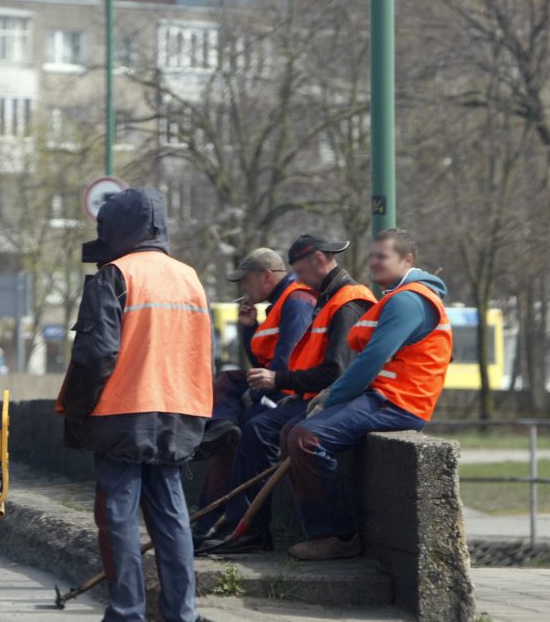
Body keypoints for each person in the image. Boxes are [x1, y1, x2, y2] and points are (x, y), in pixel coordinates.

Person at [57, 188, 212, 622]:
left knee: (119, 515)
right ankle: (182, 613)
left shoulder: (116, 275)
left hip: (125, 410)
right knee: (172, 514)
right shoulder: (189, 277)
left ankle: (126, 613)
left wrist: (77, 410)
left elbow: (95, 354)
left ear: (118, 229)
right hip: (180, 409)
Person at [284, 228, 452, 561]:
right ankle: (310, 528)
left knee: (307, 438)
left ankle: (337, 536)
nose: (373, 263)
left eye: (382, 257)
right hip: (381, 396)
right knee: (291, 430)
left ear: (407, 260)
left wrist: (330, 397)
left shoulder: (408, 300)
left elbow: (371, 360)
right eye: (371, 256)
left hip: (399, 402)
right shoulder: (397, 296)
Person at [201, 234, 375, 553]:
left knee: (266, 430)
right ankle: (238, 526)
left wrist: (281, 380)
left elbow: (337, 372)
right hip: (313, 396)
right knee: (260, 429)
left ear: (319, 260)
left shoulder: (346, 301)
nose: (296, 278)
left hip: (332, 400)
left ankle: (320, 534)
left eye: (298, 269)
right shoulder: (325, 298)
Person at [192, 248, 315, 537]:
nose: (242, 288)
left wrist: (256, 398)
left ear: (266, 276)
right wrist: (250, 329)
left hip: (287, 394)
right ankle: (221, 428)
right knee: (227, 382)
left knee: (243, 436)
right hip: (278, 389)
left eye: (245, 281)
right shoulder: (280, 303)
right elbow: (264, 362)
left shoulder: (295, 302)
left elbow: (284, 364)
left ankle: (215, 522)